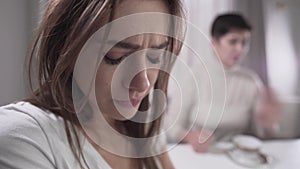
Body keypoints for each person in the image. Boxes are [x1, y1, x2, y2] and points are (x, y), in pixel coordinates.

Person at [0, 0, 186, 168]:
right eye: (117, 57)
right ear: (66, 47)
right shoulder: (23, 137)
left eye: (154, 57)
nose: (143, 84)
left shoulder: (143, 125)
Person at [165, 13, 281, 153]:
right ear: (214, 43)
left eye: (244, 42)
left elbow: (261, 135)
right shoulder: (195, 76)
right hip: (199, 155)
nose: (240, 48)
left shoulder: (251, 82)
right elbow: (171, 125)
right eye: (233, 41)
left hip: (237, 157)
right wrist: (190, 137)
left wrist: (268, 123)